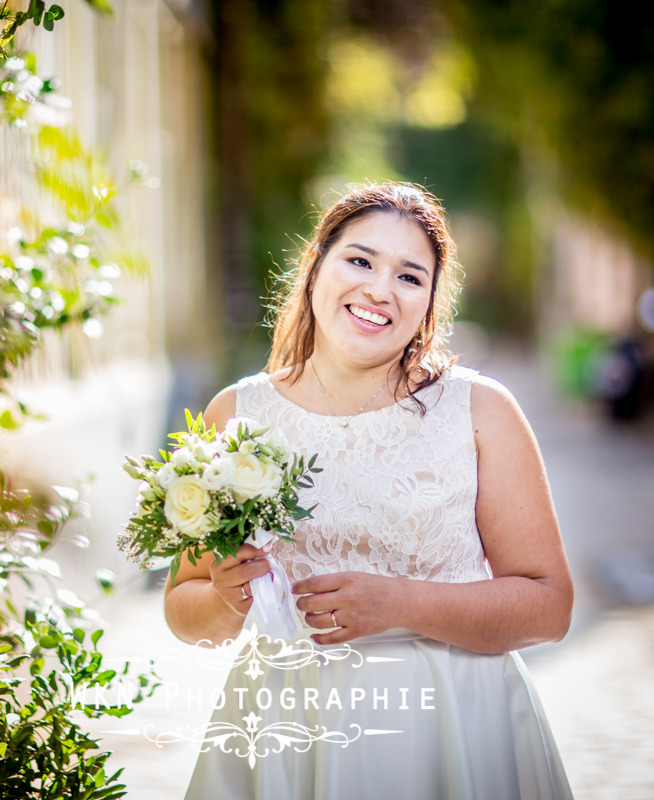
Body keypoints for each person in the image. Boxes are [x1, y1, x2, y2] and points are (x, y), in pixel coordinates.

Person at [164, 183, 574, 799]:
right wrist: (226, 598)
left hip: (452, 723)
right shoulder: (236, 414)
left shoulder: (479, 410)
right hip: (286, 727)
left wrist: (402, 604)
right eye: (359, 261)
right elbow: (182, 608)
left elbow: (549, 606)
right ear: (314, 268)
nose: (380, 290)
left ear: (430, 302)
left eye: (410, 277)